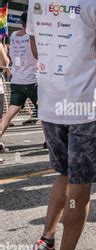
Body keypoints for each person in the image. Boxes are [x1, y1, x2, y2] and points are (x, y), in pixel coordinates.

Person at [24, 0, 96, 250]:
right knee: (80, 186)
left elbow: (36, 48)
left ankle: (45, 243)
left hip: (51, 105)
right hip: (84, 108)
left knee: (63, 174)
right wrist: (93, 79)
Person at [0, 12, 39, 149]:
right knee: (45, 112)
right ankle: (49, 142)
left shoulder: (13, 36)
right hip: (33, 81)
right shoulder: (34, 37)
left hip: (17, 81)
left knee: (9, 113)